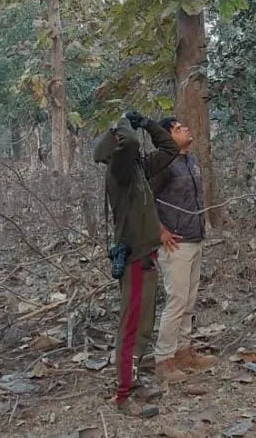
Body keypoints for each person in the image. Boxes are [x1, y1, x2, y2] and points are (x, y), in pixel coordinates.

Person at [93, 110, 179, 417]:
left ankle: (134, 380)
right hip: (134, 257)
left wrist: (149, 124)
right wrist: (122, 123)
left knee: (143, 326)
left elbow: (170, 150)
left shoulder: (138, 171)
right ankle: (123, 395)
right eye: (119, 140)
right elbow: (128, 144)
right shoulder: (119, 172)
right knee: (131, 328)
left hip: (146, 256)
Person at [149, 117, 218, 382]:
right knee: (176, 301)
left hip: (194, 238)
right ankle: (163, 359)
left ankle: (183, 351)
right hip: (175, 243)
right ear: (166, 138)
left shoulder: (191, 161)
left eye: (184, 126)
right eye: (178, 129)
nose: (187, 129)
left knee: (188, 300)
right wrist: (160, 230)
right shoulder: (162, 165)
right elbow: (145, 198)